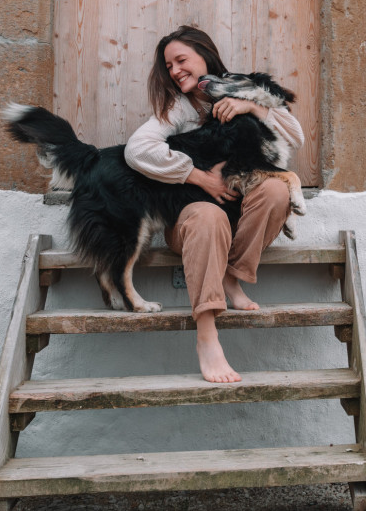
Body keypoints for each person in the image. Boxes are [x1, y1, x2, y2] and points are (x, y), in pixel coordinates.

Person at [124, 26, 303, 383]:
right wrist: (197, 176)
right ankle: (207, 335)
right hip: (192, 221)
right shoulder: (177, 108)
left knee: (277, 192)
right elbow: (137, 150)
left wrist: (250, 106)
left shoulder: (238, 89)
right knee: (208, 216)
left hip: (239, 220)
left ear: (204, 55)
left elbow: (295, 136)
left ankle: (232, 276)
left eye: (181, 60)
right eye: (169, 66)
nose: (174, 71)